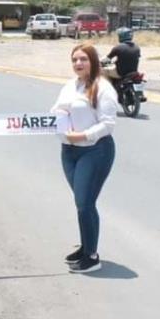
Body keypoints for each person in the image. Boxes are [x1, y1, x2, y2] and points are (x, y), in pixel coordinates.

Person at [50, 44, 118, 274]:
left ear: (93, 62)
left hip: (94, 150)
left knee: (85, 203)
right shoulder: (71, 85)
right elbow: (57, 109)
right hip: (69, 151)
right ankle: (85, 246)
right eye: (75, 60)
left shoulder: (103, 88)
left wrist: (82, 135)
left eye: (83, 60)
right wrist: (60, 118)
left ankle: (91, 256)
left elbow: (107, 124)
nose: (78, 64)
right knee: (81, 203)